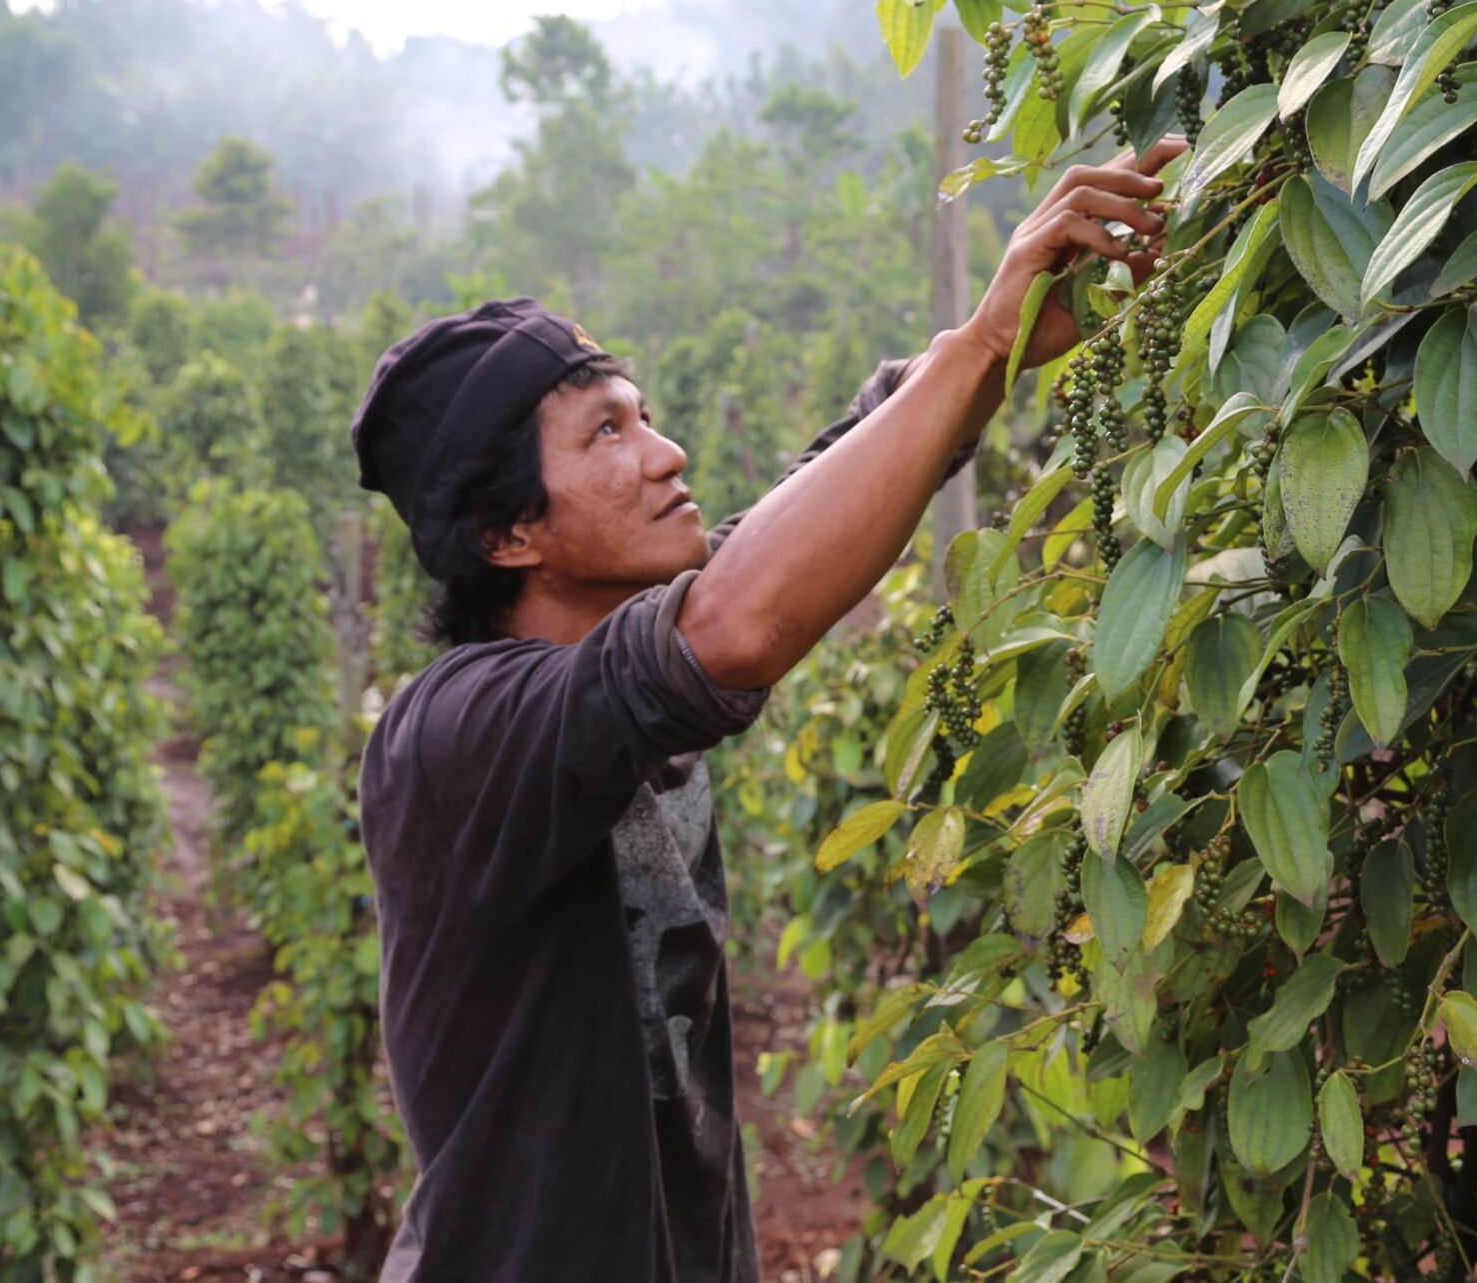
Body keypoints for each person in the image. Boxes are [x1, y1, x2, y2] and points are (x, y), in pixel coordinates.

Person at [346, 136, 1185, 1281]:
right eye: (606, 433)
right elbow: (738, 623)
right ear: (507, 535)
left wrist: (982, 360)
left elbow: (779, 537)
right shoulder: (461, 732)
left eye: (642, 415)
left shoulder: (620, 655)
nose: (666, 453)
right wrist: (977, 343)